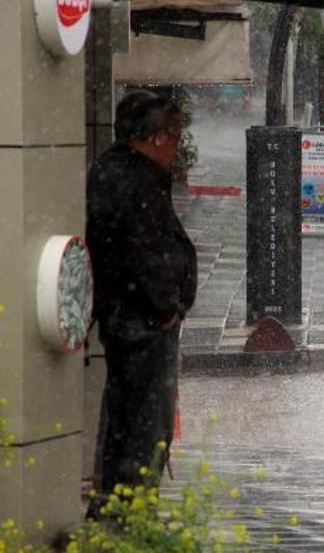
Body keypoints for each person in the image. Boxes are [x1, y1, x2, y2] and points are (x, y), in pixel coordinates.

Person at [86, 91, 197, 518]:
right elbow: (143, 252)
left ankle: (117, 502)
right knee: (146, 421)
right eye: (173, 135)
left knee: (126, 415)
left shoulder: (109, 171)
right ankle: (130, 509)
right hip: (142, 322)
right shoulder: (138, 179)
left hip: (124, 317)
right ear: (153, 137)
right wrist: (166, 307)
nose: (175, 145)